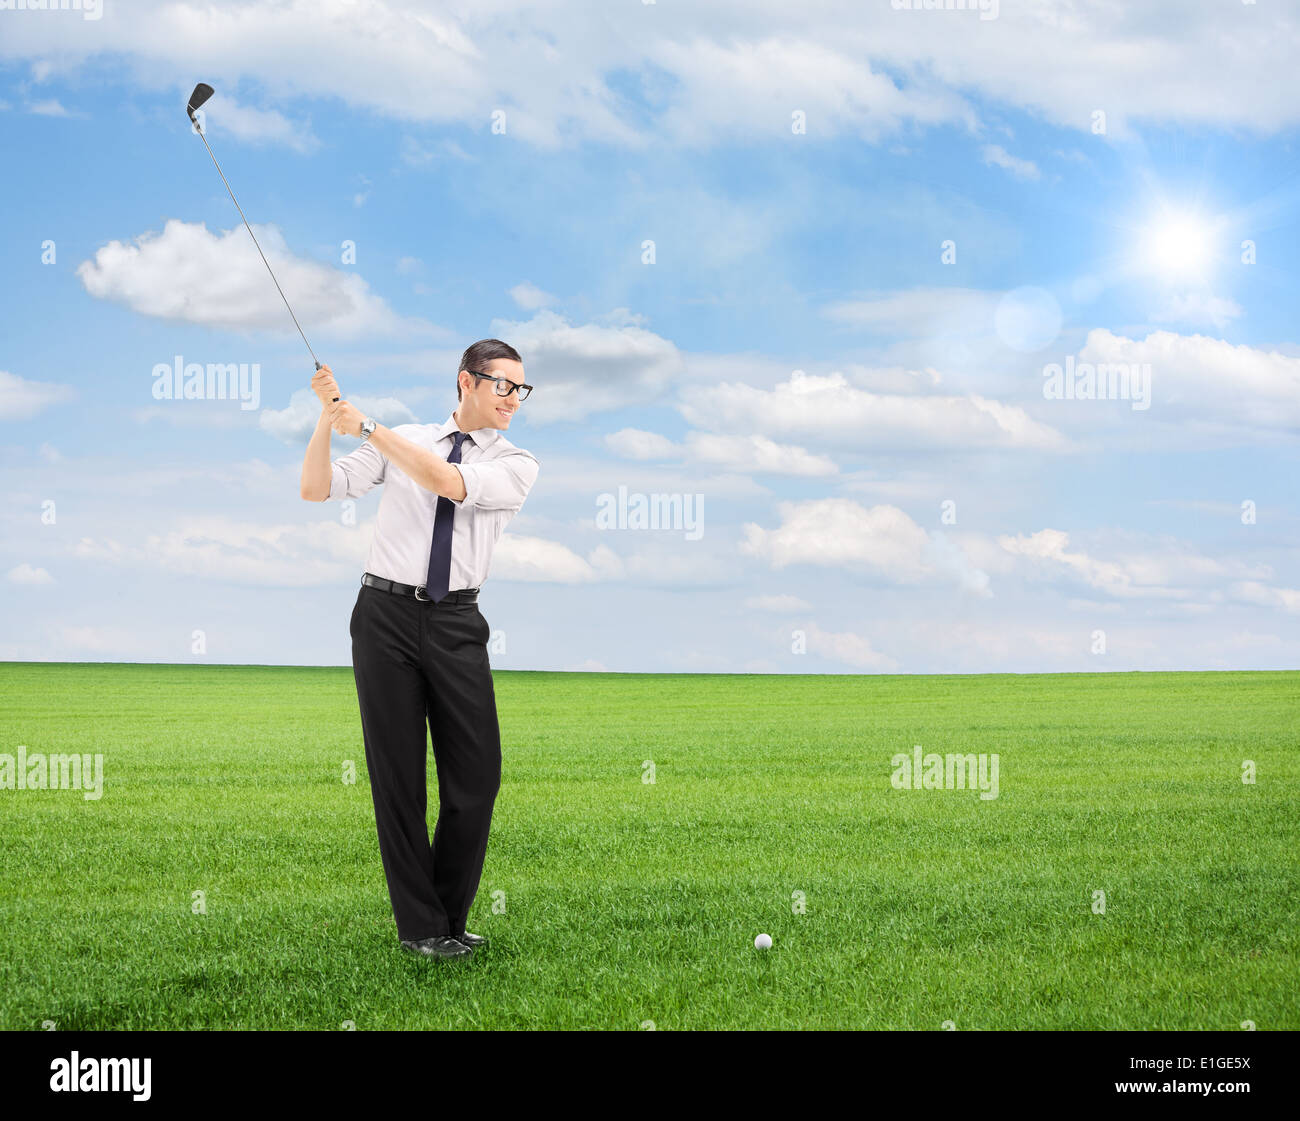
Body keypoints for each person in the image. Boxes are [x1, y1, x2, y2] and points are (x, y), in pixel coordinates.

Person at [299, 339, 539, 960]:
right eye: (504, 385)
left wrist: (370, 427)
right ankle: (422, 930)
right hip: (383, 616)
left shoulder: (516, 463)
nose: (515, 398)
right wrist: (329, 421)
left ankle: (449, 918)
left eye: (522, 388)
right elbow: (316, 488)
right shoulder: (405, 439)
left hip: (457, 622)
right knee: (398, 777)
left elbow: (446, 480)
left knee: (476, 779)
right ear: (467, 382)